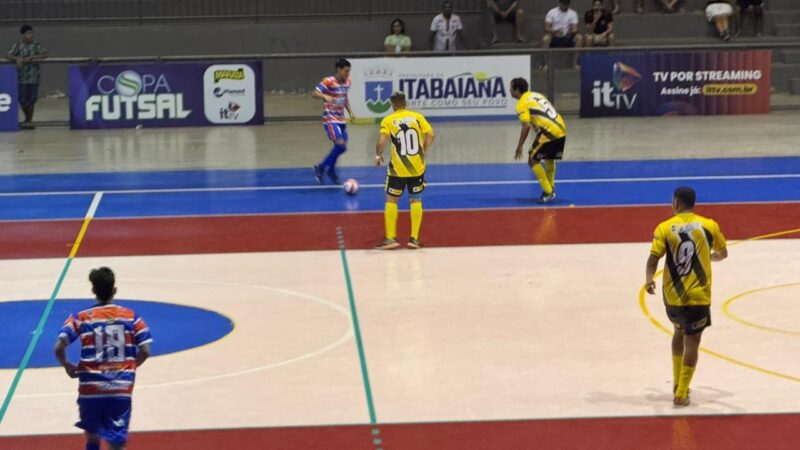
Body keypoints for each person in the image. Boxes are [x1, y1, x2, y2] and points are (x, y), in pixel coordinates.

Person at [645, 187, 728, 407]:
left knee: (678, 332)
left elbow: (653, 259)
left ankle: (676, 381)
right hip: (698, 296)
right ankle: (681, 392)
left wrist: (649, 279)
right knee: (693, 341)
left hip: (672, 295)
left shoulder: (664, 228)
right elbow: (723, 253)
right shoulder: (709, 225)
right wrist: (709, 257)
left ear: (676, 202)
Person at [54, 267, 153, 450]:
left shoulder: (81, 317)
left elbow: (59, 347)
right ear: (114, 290)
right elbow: (146, 349)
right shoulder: (132, 317)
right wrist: (132, 365)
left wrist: (67, 365)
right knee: (117, 442)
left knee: (92, 438)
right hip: (120, 388)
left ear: (93, 291)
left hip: (90, 389)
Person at [375, 92, 435, 250]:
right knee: (415, 200)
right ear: (405, 103)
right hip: (417, 166)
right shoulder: (417, 117)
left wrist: (378, 155)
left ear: (393, 105)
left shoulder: (388, 120)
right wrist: (424, 150)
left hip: (398, 169)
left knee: (391, 200)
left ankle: (390, 239)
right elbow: (430, 133)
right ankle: (414, 239)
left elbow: (381, 141)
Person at [510, 78, 566, 204]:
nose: (509, 90)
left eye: (511, 87)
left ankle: (548, 191)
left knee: (532, 159)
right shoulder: (536, 95)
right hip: (561, 127)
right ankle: (551, 189)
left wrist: (519, 146)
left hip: (549, 132)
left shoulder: (521, 103)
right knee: (549, 158)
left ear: (517, 90)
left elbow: (526, 125)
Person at [312, 59, 355, 184]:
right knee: (340, 144)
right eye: (346, 71)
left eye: (349, 71)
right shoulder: (328, 81)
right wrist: (324, 96)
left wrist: (350, 111)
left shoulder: (348, 82)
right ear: (338, 70)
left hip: (341, 119)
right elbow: (314, 93)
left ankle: (327, 168)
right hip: (330, 119)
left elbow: (344, 97)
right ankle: (321, 168)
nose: (348, 74)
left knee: (342, 148)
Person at [5, 24, 47, 130]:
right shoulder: (18, 46)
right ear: (23, 35)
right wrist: (17, 59)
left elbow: (45, 54)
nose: (30, 35)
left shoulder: (36, 45)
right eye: (28, 34)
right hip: (22, 77)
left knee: (32, 99)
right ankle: (28, 120)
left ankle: (29, 121)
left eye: (31, 33)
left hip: (34, 76)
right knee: (22, 98)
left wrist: (32, 57)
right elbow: (8, 55)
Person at [543, 0, 583, 67]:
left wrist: (569, 32)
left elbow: (575, 28)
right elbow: (546, 28)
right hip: (554, 36)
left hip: (568, 36)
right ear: (560, 3)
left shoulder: (573, 13)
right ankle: (547, 64)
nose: (565, 5)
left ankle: (575, 63)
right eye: (563, 3)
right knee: (545, 39)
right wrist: (554, 31)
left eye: (567, 4)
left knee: (579, 38)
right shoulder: (551, 12)